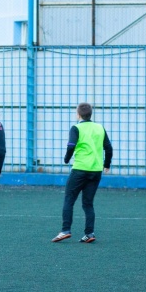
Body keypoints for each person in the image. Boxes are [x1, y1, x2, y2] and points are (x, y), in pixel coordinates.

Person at [52, 102, 113, 243]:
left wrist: (66, 159)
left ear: (78, 114)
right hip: (96, 171)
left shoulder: (76, 128)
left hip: (80, 169)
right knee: (88, 203)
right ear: (90, 114)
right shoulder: (100, 128)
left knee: (69, 199)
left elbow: (71, 145)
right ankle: (89, 233)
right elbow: (108, 148)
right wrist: (107, 164)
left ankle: (65, 230)